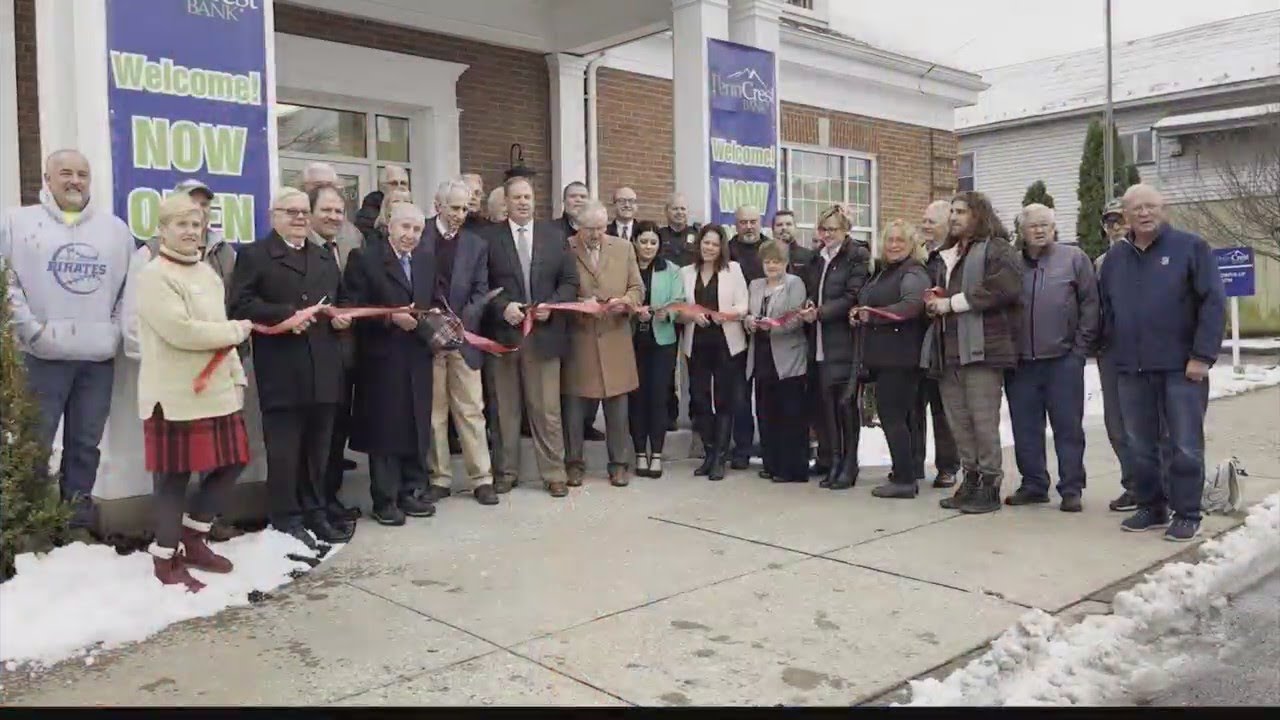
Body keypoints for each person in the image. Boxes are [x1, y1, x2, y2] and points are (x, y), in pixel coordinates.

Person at [0, 149, 133, 531]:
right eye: (66, 173)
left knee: (85, 446)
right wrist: (33, 332)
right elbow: (6, 282)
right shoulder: (16, 223)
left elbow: (128, 291)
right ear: (47, 179)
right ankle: (30, 527)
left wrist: (112, 333)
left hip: (97, 358)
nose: (75, 181)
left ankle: (75, 525)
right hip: (39, 356)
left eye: (82, 174)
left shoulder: (115, 230)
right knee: (34, 444)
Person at [134, 192, 254, 591]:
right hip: (174, 396)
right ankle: (164, 558)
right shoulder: (154, 275)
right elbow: (181, 332)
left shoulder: (207, 273)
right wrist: (236, 331)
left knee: (235, 461)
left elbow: (219, 329)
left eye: (196, 224)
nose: (190, 232)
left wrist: (236, 376)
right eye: (181, 224)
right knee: (174, 478)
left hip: (216, 391)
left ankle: (194, 536)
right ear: (163, 230)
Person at [1100, 184, 1226, 542]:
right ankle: (1151, 506)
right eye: (1136, 208)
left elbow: (1213, 302)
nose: (1144, 213)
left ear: (1163, 209)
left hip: (1182, 367)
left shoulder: (1191, 247)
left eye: (1150, 206)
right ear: (1126, 215)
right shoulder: (1116, 258)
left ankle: (1186, 513)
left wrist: (1202, 356)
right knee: (1139, 444)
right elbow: (1107, 308)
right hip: (1131, 368)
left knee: (1184, 444)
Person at [229, 187, 349, 547]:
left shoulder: (324, 257)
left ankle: (316, 511)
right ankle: (286, 517)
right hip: (283, 369)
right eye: (290, 212)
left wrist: (341, 318)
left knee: (318, 450)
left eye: (303, 212)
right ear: (273, 216)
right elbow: (240, 305)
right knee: (284, 451)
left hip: (324, 368)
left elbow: (338, 302)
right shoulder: (255, 255)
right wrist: (285, 316)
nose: (299, 218)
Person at [341, 202, 444, 525]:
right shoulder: (365, 259)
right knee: (386, 429)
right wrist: (390, 318)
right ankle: (385, 499)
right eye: (405, 227)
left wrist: (435, 316)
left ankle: (411, 491)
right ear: (389, 226)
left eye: (417, 230)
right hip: (382, 358)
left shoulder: (426, 260)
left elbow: (433, 298)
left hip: (418, 354)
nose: (410, 235)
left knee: (416, 424)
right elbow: (352, 307)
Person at [922, 191, 1023, 515]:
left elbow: (1005, 287)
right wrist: (936, 298)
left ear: (979, 215)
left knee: (982, 421)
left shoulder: (997, 248)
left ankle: (990, 485)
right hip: (948, 350)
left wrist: (951, 303)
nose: (954, 217)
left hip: (983, 351)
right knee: (959, 422)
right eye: (952, 211)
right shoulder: (946, 254)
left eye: (961, 211)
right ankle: (970, 479)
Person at [487, 176, 580, 497]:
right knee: (505, 410)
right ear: (506, 202)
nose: (523, 202)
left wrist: (551, 306)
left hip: (544, 336)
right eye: (516, 197)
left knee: (547, 410)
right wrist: (502, 307)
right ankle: (505, 472)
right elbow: (481, 285)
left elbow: (570, 282)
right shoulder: (490, 239)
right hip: (504, 338)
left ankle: (554, 473)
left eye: (527, 197)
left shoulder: (554, 237)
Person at [1003, 204, 1098, 512]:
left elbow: (1090, 305)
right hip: (1021, 364)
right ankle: (1033, 485)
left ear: (1054, 228)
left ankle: (1071, 488)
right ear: (1021, 231)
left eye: (1045, 224)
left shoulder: (1074, 259)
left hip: (1062, 360)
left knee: (1068, 428)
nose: (1040, 230)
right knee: (1025, 429)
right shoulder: (1011, 264)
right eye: (1033, 225)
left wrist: (1079, 351)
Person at [423, 180, 498, 507]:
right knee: (434, 414)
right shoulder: (420, 234)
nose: (460, 214)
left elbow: (481, 290)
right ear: (437, 205)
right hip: (427, 339)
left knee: (471, 410)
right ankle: (439, 478)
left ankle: (482, 479)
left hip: (464, 339)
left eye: (465, 209)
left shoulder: (476, 244)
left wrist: (459, 323)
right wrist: (431, 324)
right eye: (454, 208)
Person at [563, 201, 645, 487]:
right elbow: (557, 288)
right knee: (574, 408)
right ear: (578, 226)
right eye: (590, 229)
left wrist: (626, 301)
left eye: (601, 228)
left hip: (615, 336)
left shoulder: (624, 248)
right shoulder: (565, 248)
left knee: (617, 407)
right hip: (579, 337)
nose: (596, 234)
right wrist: (578, 304)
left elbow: (637, 288)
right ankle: (573, 464)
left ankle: (619, 464)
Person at [853, 220, 930, 499]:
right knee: (894, 417)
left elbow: (912, 306)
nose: (894, 245)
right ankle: (902, 471)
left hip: (901, 357)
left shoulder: (913, 272)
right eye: (890, 240)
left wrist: (871, 315)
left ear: (912, 245)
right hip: (884, 356)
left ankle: (905, 480)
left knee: (893, 417)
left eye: (900, 240)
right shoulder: (886, 271)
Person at [800, 205, 869, 491]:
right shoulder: (818, 258)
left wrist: (821, 312)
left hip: (843, 341)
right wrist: (809, 304)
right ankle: (835, 460)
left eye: (833, 229)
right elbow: (813, 291)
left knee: (845, 406)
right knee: (827, 406)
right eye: (823, 229)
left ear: (845, 230)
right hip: (819, 341)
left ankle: (849, 464)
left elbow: (853, 295)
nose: (827, 234)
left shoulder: (856, 255)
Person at [308, 184, 362, 529]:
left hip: (345, 354)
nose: (333, 217)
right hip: (312, 357)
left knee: (337, 433)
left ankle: (330, 498)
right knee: (316, 438)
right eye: (326, 210)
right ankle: (314, 505)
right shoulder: (303, 248)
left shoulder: (348, 244)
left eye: (338, 211)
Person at [679, 224, 749, 482]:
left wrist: (726, 315)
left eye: (714, 244)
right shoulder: (686, 272)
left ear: (722, 248)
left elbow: (743, 305)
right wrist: (691, 315)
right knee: (699, 399)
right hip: (697, 343)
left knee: (724, 399)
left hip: (726, 343)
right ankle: (709, 452)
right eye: (706, 243)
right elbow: (679, 307)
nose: (709, 248)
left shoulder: (734, 270)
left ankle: (720, 456)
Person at [743, 240, 809, 484]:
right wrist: (749, 322)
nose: (771, 266)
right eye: (768, 261)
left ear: (786, 263)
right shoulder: (755, 285)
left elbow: (796, 318)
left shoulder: (795, 283)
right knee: (766, 411)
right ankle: (771, 464)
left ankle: (792, 468)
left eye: (776, 261)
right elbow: (747, 314)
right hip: (761, 355)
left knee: (790, 414)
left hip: (788, 357)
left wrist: (771, 325)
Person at [628, 220, 685, 478]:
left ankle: (657, 454)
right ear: (635, 242)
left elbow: (679, 301)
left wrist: (666, 314)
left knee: (658, 397)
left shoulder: (671, 269)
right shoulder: (627, 267)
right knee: (637, 397)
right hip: (632, 341)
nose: (648, 247)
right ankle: (640, 452)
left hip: (662, 341)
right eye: (643, 241)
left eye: (653, 242)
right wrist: (632, 312)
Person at [1096, 198, 1140, 512]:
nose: (1116, 227)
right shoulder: (1100, 263)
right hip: (1111, 352)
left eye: (1121, 220)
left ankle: (1163, 487)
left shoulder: (1152, 255)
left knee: (1148, 423)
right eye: (1110, 222)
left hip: (1147, 351)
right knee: (1117, 424)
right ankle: (1134, 485)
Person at [913, 200, 960, 488]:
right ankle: (914, 463)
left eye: (931, 221)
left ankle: (947, 466)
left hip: (943, 342)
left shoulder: (953, 257)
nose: (925, 225)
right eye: (924, 220)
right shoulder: (920, 255)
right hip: (915, 340)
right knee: (914, 406)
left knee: (942, 409)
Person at [726, 205, 765, 469]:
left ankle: (769, 446)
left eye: (753, 221)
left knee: (766, 394)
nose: (748, 226)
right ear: (736, 224)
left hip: (766, 331)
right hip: (735, 331)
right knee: (739, 394)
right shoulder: (727, 250)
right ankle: (742, 447)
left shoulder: (770, 249)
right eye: (743, 222)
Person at [657, 193, 700, 266]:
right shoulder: (659, 235)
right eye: (675, 209)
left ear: (688, 212)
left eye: (683, 209)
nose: (679, 212)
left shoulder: (698, 235)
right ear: (666, 211)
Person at [771, 210, 813, 276]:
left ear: (795, 228)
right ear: (773, 230)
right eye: (779, 225)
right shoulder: (764, 256)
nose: (784, 228)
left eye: (788, 224)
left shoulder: (809, 256)